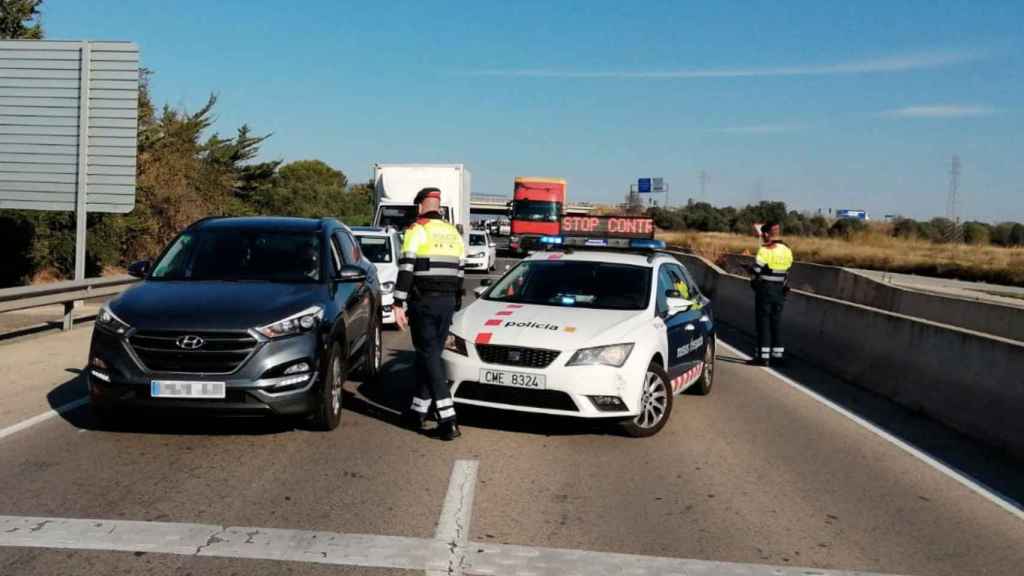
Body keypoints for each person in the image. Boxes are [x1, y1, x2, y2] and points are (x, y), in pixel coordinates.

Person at [392, 187, 466, 441]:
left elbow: (407, 266)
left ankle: (448, 418)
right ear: (439, 205)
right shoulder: (453, 232)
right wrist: (455, 302)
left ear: (420, 205)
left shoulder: (417, 229)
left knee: (427, 355)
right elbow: (460, 271)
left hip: (423, 301)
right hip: (447, 302)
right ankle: (418, 411)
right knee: (431, 355)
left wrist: (397, 303)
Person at [749, 221, 793, 366]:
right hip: (780, 291)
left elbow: (756, 270)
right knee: (776, 323)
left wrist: (749, 269)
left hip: (765, 290)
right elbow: (787, 270)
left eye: (763, 234)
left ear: (766, 234)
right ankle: (778, 356)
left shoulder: (765, 249)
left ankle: (763, 357)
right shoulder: (787, 249)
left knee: (763, 323)